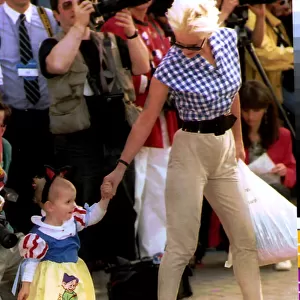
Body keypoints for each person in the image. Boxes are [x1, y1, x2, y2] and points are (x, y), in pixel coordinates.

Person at [101, 0, 263, 299]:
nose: (182, 50)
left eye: (192, 44)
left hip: (224, 149)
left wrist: (239, 141)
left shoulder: (226, 39)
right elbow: (145, 119)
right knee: (181, 246)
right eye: (177, 41)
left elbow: (234, 93)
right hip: (190, 150)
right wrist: (121, 165)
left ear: (209, 32)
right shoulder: (170, 66)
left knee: (245, 239)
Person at [38, 0, 150, 267]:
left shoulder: (109, 40)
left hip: (116, 132)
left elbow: (142, 67)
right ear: (56, 14)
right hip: (79, 136)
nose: (76, 9)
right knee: (80, 202)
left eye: (81, 2)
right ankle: (81, 264)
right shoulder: (52, 44)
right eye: (67, 5)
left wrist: (131, 31)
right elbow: (57, 65)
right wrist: (78, 27)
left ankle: (124, 264)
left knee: (122, 201)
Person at [102, 0, 179, 258]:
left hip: (163, 123)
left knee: (159, 195)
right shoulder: (115, 24)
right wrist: (154, 82)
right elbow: (117, 79)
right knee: (136, 197)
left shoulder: (157, 24)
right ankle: (131, 264)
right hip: (134, 124)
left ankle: (155, 257)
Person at [0, 0, 59, 234]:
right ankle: (17, 237)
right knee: (13, 182)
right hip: (11, 119)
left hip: (48, 117)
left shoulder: (48, 18)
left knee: (48, 181)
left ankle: (48, 235)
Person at [16, 166, 112, 300]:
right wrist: (26, 285)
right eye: (68, 202)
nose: (74, 205)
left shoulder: (72, 221)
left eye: (74, 200)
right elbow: (31, 262)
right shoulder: (38, 236)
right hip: (49, 281)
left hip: (73, 276)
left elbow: (93, 216)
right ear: (50, 206)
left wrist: (105, 199)